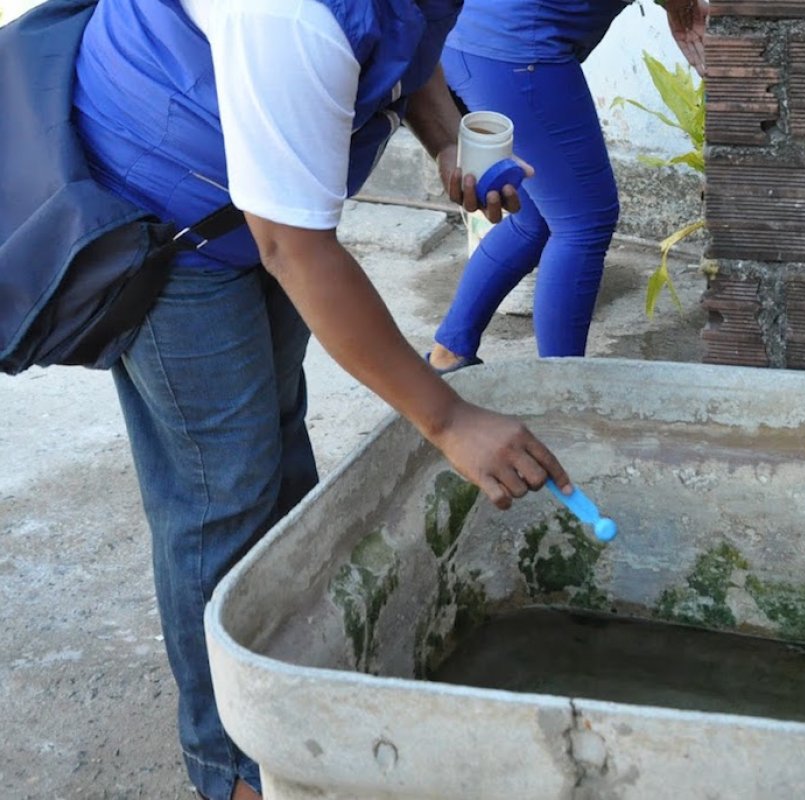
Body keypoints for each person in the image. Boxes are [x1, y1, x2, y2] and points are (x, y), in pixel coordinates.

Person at [70, 1, 570, 798]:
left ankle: (301, 697)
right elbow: (294, 250)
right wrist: (448, 419)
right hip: (164, 204)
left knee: (277, 449)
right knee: (220, 493)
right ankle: (232, 769)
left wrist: (449, 140)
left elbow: (410, 42)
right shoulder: (290, 15)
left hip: (248, 193)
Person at [426, 0, 708, 374]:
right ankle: (561, 388)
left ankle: (449, 353)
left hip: (473, 41)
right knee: (584, 222)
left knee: (535, 221)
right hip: (516, 49)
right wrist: (682, 6)